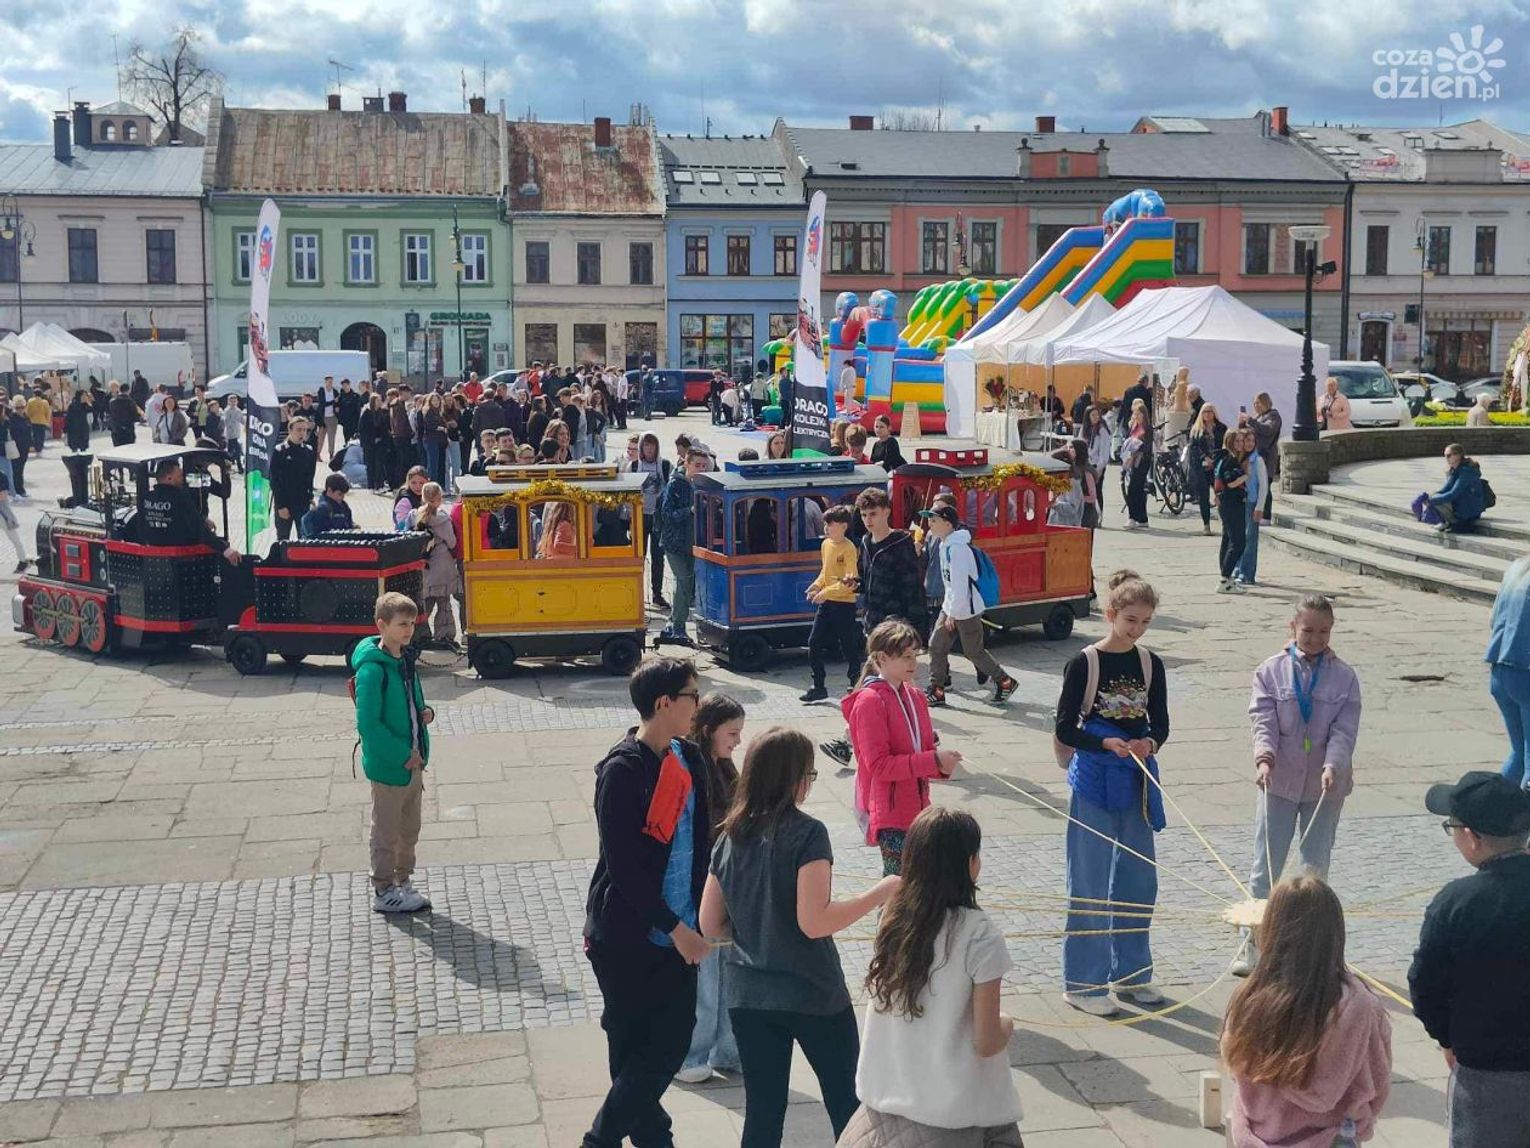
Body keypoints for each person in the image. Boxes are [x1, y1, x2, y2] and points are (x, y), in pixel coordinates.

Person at [699, 727, 900, 1148]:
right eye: (809, 773)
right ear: (793, 778)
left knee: (763, 1113)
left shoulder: (729, 835)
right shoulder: (807, 833)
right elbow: (814, 922)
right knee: (847, 1106)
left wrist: (757, 928)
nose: (810, 782)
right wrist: (880, 892)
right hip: (812, 991)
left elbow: (710, 924)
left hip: (748, 995)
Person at [582, 656, 711, 1148]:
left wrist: (698, 916)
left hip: (680, 928)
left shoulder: (688, 757)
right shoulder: (623, 771)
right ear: (664, 703)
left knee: (668, 1043)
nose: (698, 704)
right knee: (634, 1050)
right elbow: (625, 869)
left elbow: (700, 844)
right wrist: (676, 929)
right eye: (692, 695)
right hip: (627, 935)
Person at [840, 807, 1024, 1148]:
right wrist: (1007, 1024)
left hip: (881, 1110)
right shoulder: (980, 936)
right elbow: (986, 1041)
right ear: (970, 863)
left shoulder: (894, 920)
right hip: (952, 1115)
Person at [1053, 569, 1168, 1016]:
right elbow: (1065, 727)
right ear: (1111, 614)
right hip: (1094, 780)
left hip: (1136, 779)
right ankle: (1083, 983)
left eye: (1145, 622)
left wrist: (1149, 743)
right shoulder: (1085, 662)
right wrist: (1103, 743)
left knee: (1139, 881)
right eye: (1130, 620)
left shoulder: (1150, 663)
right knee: (1089, 881)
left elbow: (1160, 723)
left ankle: (1132, 974)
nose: (1137, 629)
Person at [1233, 593, 1361, 976]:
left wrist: (1333, 765)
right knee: (1265, 869)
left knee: (1314, 872)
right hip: (1278, 780)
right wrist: (1264, 758)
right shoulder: (1270, 671)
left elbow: (1344, 730)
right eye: (1308, 631)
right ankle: (1252, 946)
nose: (1316, 639)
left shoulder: (1345, 677)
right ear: (1293, 627)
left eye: (1324, 632)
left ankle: (1306, 953)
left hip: (1325, 787)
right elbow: (1263, 721)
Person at [1221, 876, 1392, 1148]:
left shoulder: (1249, 996)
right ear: (1334, 933)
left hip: (1258, 1136)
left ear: (1271, 929)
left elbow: (1235, 1067)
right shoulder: (1357, 1005)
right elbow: (1378, 1078)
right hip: (1330, 1137)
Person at [1408, 771, 1530, 1146]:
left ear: (1473, 837)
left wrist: (1445, 1038)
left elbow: (1425, 984)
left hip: (1486, 1073)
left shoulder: (1455, 904)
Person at [846, 620, 960, 875]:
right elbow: (879, 766)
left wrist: (942, 764)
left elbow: (924, 750)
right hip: (891, 815)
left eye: (915, 655)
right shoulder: (870, 701)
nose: (914, 663)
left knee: (921, 883)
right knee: (898, 885)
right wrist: (933, 760)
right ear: (882, 659)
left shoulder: (916, 696)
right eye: (906, 657)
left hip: (919, 808)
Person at [677, 694, 746, 1085]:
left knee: (727, 970)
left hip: (724, 885)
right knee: (707, 974)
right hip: (704, 886)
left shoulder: (722, 766)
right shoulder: (696, 770)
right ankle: (693, 1053)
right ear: (708, 730)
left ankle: (727, 1048)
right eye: (732, 733)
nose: (737, 741)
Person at [351, 592, 434, 914]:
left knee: (409, 829)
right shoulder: (373, 671)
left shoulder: (404, 661)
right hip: (391, 766)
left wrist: (426, 713)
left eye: (412, 623)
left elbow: (413, 702)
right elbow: (369, 725)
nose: (409, 630)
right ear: (382, 625)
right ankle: (383, 889)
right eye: (402, 624)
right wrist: (402, 754)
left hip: (413, 762)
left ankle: (403, 880)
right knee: (386, 831)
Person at [921, 504, 1018, 706]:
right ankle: (937, 689)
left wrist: (952, 614)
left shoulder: (957, 549)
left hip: (966, 610)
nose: (930, 523)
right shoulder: (945, 545)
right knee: (936, 645)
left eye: (934, 520)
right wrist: (949, 610)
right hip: (952, 607)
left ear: (948, 524)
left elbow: (960, 585)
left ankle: (1004, 681)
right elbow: (951, 585)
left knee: (973, 651)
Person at [800, 506, 865, 703]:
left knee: (848, 645)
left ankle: (855, 683)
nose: (826, 528)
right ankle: (818, 686)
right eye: (825, 523)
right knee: (814, 642)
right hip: (827, 602)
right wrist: (816, 585)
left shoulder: (849, 548)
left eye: (830, 524)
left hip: (844, 604)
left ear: (844, 526)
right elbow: (825, 571)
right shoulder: (826, 545)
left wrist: (825, 592)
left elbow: (849, 582)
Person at [139, 457, 241, 564]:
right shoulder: (181, 494)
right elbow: (197, 527)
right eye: (180, 476)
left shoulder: (147, 497)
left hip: (154, 554)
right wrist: (225, 550)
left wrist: (226, 474)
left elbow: (223, 492)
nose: (182, 479)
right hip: (183, 552)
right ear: (169, 478)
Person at [656, 449, 708, 647]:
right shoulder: (675, 484)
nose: (701, 469)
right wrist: (690, 511)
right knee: (683, 580)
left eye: (704, 466)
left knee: (689, 584)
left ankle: (674, 623)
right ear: (687, 463)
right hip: (674, 543)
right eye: (697, 465)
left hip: (694, 544)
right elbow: (667, 514)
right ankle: (678, 626)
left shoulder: (705, 484)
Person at [1488, 556, 1530, 789]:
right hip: (1526, 672)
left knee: (1519, 754)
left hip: (1500, 668)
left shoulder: (1517, 567)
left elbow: (1493, 619)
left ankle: (1492, 808)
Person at [413, 483, 459, 648]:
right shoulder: (443, 519)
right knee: (444, 603)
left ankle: (420, 635)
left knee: (425, 603)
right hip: (442, 563)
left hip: (425, 565)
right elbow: (452, 542)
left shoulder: (416, 515)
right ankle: (444, 636)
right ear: (439, 498)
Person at [630, 433, 671, 610]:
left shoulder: (664, 465)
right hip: (640, 515)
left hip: (657, 517)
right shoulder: (633, 466)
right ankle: (637, 593)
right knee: (638, 556)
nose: (649, 449)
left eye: (652, 445)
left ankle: (657, 594)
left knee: (658, 556)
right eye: (646, 445)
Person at [271, 416, 318, 542]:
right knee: (283, 538)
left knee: (304, 538)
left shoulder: (309, 451)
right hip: (285, 501)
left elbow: (309, 477)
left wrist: (310, 497)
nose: (302, 433)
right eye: (298, 429)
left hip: (302, 502)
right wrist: (281, 505)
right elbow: (274, 481)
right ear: (290, 430)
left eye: (305, 430)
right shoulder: (280, 451)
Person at [1215, 428, 1249, 593]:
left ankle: (1226, 577)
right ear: (1230, 442)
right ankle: (1224, 579)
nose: (1240, 444)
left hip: (1226, 503)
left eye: (1242, 441)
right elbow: (1229, 482)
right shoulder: (1230, 460)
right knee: (1238, 542)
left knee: (1227, 539)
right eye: (1237, 441)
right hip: (1232, 504)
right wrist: (1244, 477)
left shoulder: (1224, 458)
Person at [1426, 443, 1487, 534]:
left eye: (1449, 455)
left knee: (1437, 500)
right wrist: (1430, 496)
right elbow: (1445, 489)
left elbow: (1453, 493)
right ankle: (1448, 522)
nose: (1446, 458)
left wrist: (1433, 500)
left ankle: (1457, 523)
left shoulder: (1466, 471)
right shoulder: (1455, 470)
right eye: (1445, 456)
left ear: (1458, 455)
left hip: (1470, 507)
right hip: (1462, 503)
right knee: (1433, 497)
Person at [1233, 426, 1267, 586]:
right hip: (1239, 502)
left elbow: (1264, 486)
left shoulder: (1257, 460)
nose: (1249, 443)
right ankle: (1237, 567)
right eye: (1247, 440)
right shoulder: (1238, 459)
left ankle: (1247, 573)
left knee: (1250, 539)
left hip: (1252, 502)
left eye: (1252, 441)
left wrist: (1260, 506)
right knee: (1239, 537)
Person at [1186, 402, 1223, 537]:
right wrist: (1205, 457)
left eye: (1210, 411)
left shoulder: (1221, 428)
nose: (1207, 414)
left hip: (1217, 465)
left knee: (1221, 494)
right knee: (1203, 496)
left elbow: (1225, 445)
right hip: (1202, 467)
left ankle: (1225, 521)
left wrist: (1216, 459)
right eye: (1205, 412)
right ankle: (1206, 525)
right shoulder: (1196, 430)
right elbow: (1193, 447)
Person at [1248, 392, 1282, 521]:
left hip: (1267, 457)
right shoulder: (1259, 416)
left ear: (1265, 402)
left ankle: (1266, 516)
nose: (1256, 405)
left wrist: (1251, 421)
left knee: (1266, 486)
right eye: (1254, 403)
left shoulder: (1273, 415)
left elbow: (1268, 429)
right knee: (1258, 485)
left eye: (1258, 402)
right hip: (1257, 456)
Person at [1120, 402, 1150, 529]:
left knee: (1133, 489)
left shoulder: (1147, 429)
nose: (1136, 416)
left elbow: (1147, 447)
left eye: (1139, 414)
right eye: (1135, 414)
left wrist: (1137, 445)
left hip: (1142, 462)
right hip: (1132, 461)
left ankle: (1132, 517)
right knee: (1139, 490)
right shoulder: (1133, 427)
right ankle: (1142, 518)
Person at [0, 461, 33, 573]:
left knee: (14, 538)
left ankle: (23, 561)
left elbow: (3, 496)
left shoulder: (1, 476)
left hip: (3, 514)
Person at [299, 473, 355, 538]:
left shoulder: (344, 507)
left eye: (343, 494)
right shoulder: (322, 509)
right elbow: (307, 525)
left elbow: (348, 525)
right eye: (339, 494)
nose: (342, 497)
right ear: (329, 491)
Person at [25, 386, 51, 454]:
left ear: (34, 394)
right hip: (42, 421)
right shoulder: (45, 402)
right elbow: (48, 412)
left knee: (35, 435)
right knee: (41, 435)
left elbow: (27, 412)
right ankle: (40, 448)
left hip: (33, 421)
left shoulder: (30, 401)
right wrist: (47, 420)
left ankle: (36, 447)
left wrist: (29, 417)